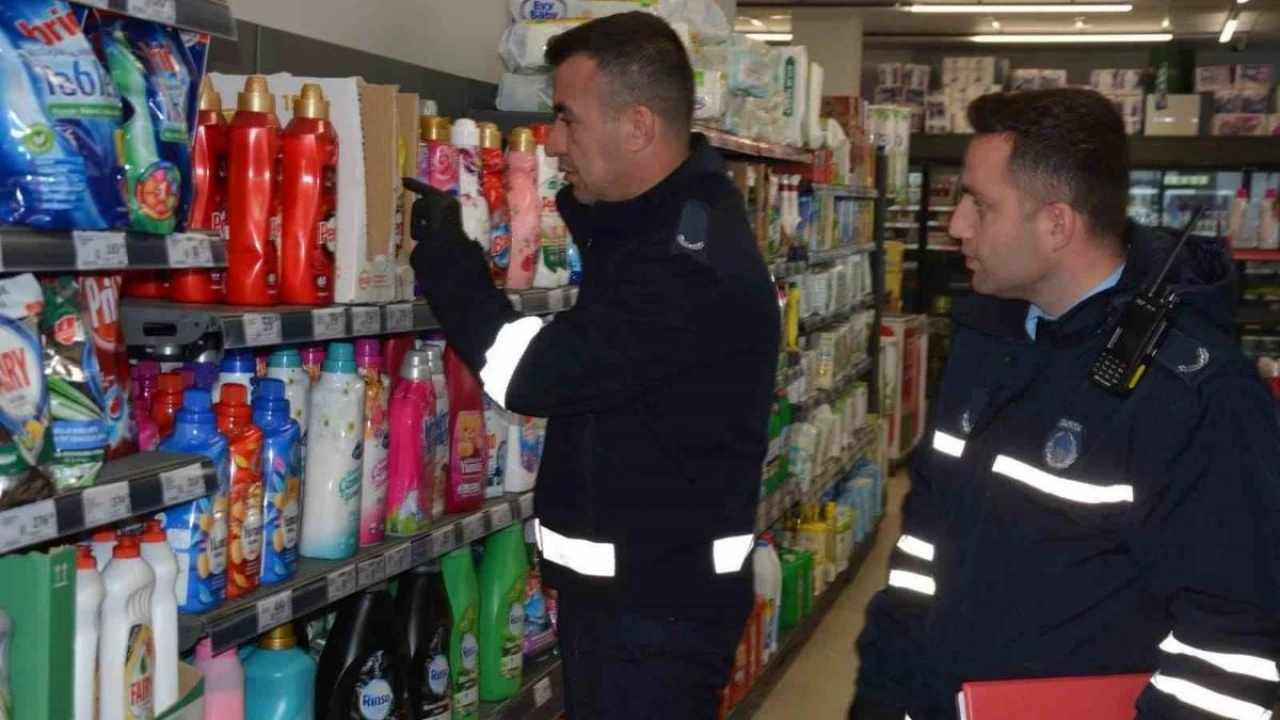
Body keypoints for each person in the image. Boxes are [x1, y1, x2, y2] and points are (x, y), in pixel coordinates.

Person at [851, 88, 1280, 720]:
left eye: (980, 204)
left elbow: (1231, 651)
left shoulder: (1196, 395)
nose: (956, 225)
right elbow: (924, 550)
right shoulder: (984, 341)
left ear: (1057, 224)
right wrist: (884, 699)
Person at [405, 12, 779, 719]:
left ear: (637, 126)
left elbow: (532, 375)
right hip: (637, 605)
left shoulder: (686, 267)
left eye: (567, 119)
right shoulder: (669, 224)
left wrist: (451, 262)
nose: (552, 141)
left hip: (654, 619)